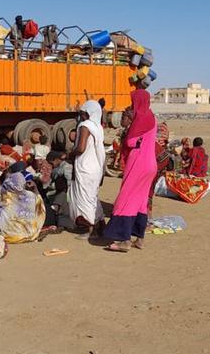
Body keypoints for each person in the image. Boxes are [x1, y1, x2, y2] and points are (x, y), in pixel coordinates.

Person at [104, 89, 158, 252]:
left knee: (126, 200)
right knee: (140, 202)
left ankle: (124, 241)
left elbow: (131, 142)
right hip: (150, 164)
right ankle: (139, 238)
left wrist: (128, 129)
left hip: (138, 164)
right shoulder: (151, 117)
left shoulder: (140, 118)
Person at [68, 100, 106, 240]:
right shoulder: (98, 127)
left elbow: (81, 148)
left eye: (83, 113)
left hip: (85, 168)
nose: (81, 116)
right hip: (95, 167)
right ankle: (101, 225)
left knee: (85, 199)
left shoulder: (85, 126)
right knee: (93, 198)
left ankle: (91, 230)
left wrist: (70, 155)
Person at [0, 172, 46, 244]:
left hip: (11, 237)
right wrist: (35, 189)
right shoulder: (31, 195)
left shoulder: (3, 197)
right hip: (30, 235)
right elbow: (41, 210)